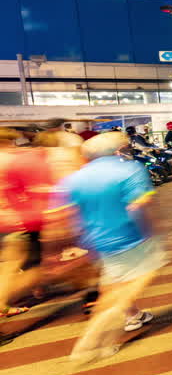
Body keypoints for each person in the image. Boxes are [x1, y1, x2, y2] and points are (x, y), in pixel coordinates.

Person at [59, 132, 162, 363]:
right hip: (130, 238)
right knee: (127, 290)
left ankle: (124, 325)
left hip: (97, 242)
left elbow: (68, 213)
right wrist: (150, 233)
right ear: (118, 150)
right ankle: (89, 343)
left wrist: (79, 244)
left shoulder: (75, 178)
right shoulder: (130, 169)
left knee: (112, 290)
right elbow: (142, 204)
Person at [0, 128, 53, 319]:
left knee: (8, 265)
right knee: (25, 267)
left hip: (9, 222)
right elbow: (33, 191)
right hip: (13, 222)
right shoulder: (14, 160)